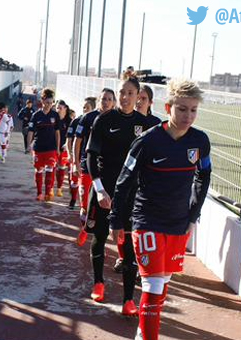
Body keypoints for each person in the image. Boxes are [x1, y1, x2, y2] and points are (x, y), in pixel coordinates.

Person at [108, 79, 210, 340]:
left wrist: (193, 215)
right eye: (182, 109)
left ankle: (142, 334)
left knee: (162, 286)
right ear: (168, 107)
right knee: (152, 290)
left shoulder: (200, 141)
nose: (188, 116)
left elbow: (204, 176)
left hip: (178, 225)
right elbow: (124, 181)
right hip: (147, 223)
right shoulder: (147, 141)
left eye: (193, 110)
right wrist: (116, 221)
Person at [84, 78, 152, 316]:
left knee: (130, 244)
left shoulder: (146, 125)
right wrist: (99, 189)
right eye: (122, 92)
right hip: (105, 190)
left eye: (130, 93)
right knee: (101, 236)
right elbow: (91, 156)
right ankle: (98, 283)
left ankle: (127, 300)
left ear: (137, 96)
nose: (125, 97)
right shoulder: (104, 120)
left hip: (131, 196)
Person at [113, 86, 162, 274]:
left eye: (144, 98)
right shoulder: (124, 119)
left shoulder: (156, 125)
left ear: (150, 103)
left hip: (145, 184)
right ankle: (122, 257)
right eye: (138, 97)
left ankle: (139, 263)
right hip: (125, 180)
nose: (140, 101)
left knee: (140, 225)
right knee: (123, 222)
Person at [73, 91, 114, 246]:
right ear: (98, 100)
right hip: (87, 167)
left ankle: (88, 230)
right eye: (103, 99)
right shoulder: (88, 117)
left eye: (109, 99)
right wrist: (75, 163)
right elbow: (77, 142)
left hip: (106, 170)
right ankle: (85, 227)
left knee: (104, 206)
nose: (106, 102)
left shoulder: (116, 119)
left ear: (113, 102)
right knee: (85, 205)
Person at [27, 88, 60, 201]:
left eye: (51, 103)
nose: (49, 105)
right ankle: (39, 193)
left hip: (51, 148)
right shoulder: (36, 115)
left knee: (50, 169)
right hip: (39, 148)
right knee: (39, 170)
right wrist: (28, 146)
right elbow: (31, 131)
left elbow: (57, 133)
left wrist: (58, 147)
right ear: (42, 101)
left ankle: (47, 193)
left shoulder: (55, 115)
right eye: (47, 102)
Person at [54, 100, 73, 198]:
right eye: (57, 108)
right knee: (52, 168)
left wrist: (67, 144)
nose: (58, 110)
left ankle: (60, 188)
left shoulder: (69, 121)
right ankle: (51, 188)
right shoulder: (53, 118)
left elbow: (71, 135)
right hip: (53, 147)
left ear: (65, 108)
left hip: (64, 148)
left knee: (62, 167)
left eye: (60, 108)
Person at [65, 108, 82, 209]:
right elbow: (69, 139)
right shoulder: (75, 122)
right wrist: (70, 154)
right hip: (76, 156)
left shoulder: (97, 120)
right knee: (74, 180)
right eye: (84, 107)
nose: (85, 110)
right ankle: (73, 200)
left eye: (87, 107)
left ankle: (83, 203)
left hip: (87, 157)